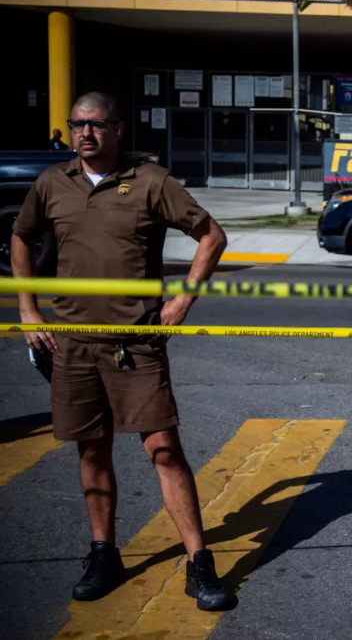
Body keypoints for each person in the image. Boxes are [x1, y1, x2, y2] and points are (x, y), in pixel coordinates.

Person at [11, 92, 233, 609]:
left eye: (96, 125)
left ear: (118, 129)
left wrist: (183, 300)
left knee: (164, 451)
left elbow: (212, 236)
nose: (85, 134)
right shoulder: (52, 183)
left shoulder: (151, 181)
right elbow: (21, 237)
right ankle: (104, 553)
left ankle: (199, 563)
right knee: (91, 450)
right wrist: (28, 309)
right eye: (77, 125)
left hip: (135, 344)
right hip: (72, 346)